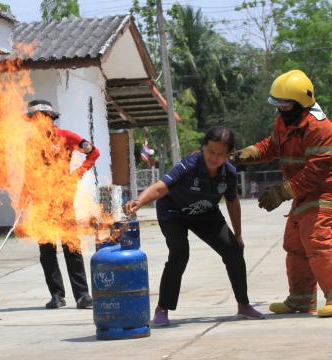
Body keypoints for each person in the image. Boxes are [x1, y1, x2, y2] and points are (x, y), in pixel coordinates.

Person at [125, 127, 264, 326]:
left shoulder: (229, 174)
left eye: (220, 154)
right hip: (173, 212)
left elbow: (233, 202)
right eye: (211, 152)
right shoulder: (187, 167)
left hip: (205, 212)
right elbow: (160, 187)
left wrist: (238, 234)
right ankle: (162, 308)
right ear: (203, 148)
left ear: (229, 154)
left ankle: (243, 305)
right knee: (180, 253)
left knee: (233, 250)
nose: (214, 158)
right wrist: (139, 201)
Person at [235, 70, 332, 318]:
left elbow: (316, 172)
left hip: (324, 193)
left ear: (300, 103)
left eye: (284, 104)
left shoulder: (320, 128)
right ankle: (300, 300)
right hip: (303, 194)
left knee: (318, 241)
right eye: (277, 104)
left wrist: (282, 191)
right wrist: (250, 153)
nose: (279, 109)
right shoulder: (285, 122)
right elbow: (273, 145)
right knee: (295, 245)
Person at [20, 99, 100, 309]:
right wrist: (23, 197)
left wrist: (77, 174)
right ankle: (56, 295)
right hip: (40, 203)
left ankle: (82, 295)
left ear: (50, 118)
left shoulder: (66, 136)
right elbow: (28, 172)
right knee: (46, 251)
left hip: (63, 201)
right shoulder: (30, 143)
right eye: (33, 119)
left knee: (71, 247)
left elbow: (94, 152)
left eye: (41, 118)